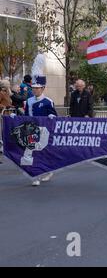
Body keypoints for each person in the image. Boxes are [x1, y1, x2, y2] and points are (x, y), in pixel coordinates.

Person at [21, 55, 58, 186]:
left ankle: (48, 171)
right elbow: (26, 115)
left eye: (37, 88)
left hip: (43, 131)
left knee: (43, 153)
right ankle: (34, 176)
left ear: (42, 88)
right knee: (29, 153)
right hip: (31, 130)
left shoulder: (48, 102)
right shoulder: (29, 101)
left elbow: (54, 117)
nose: (35, 90)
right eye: (33, 88)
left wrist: (51, 117)